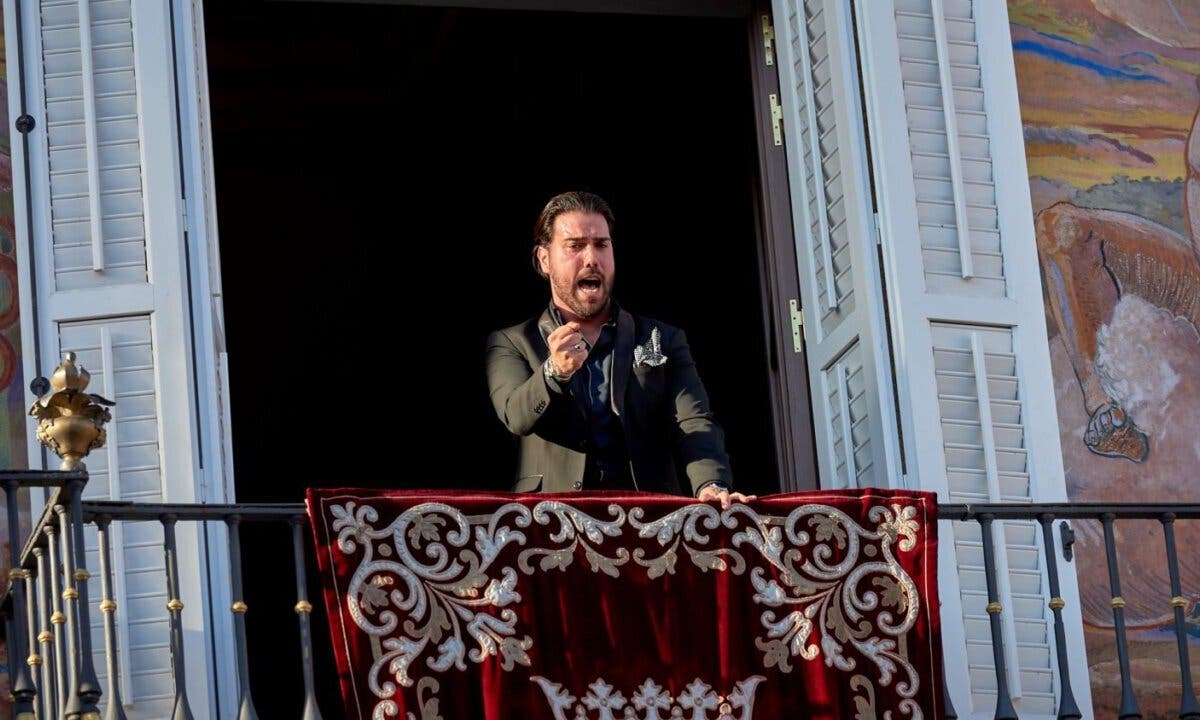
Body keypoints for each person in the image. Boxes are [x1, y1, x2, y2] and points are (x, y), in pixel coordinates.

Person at [485, 191, 754, 508]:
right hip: (550, 525)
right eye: (575, 246)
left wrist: (710, 484)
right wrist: (554, 372)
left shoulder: (662, 338)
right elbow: (515, 415)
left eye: (601, 244)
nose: (591, 258)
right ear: (544, 259)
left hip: (647, 520)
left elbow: (693, 422)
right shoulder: (512, 341)